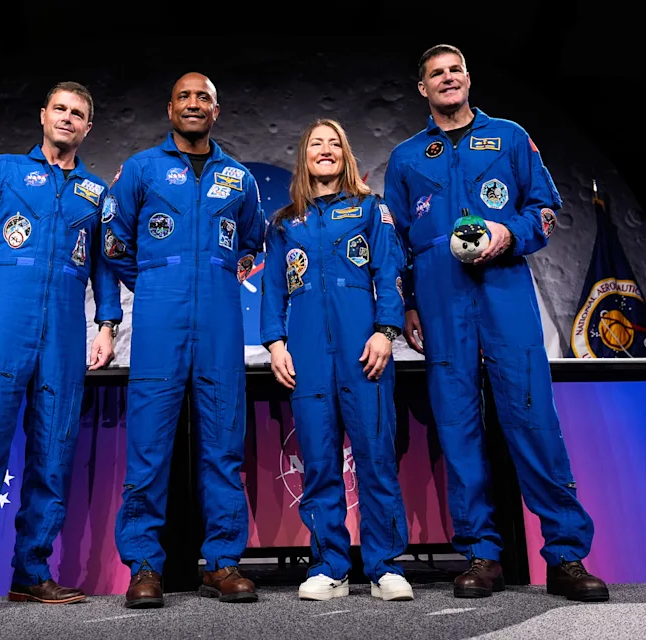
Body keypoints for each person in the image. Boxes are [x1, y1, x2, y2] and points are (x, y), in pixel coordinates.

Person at [383, 45, 610, 603]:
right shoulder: (406, 157)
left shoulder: (509, 137)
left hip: (504, 293)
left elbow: (546, 210)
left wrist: (509, 234)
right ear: (423, 89)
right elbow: (396, 244)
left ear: (467, 78)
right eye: (436, 74)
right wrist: (408, 303)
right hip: (440, 301)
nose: (448, 78)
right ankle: (481, 556)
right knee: (458, 427)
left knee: (533, 420)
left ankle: (565, 555)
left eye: (455, 70)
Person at [0, 81, 123, 616]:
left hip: (64, 333)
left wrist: (106, 325)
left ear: (88, 127)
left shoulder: (96, 193)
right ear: (43, 115)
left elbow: (105, 267)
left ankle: (32, 572)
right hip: (2, 326)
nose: (67, 118)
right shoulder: (3, 171)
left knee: (53, 457)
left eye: (78, 113)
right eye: (59, 109)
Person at [103, 72, 264, 608]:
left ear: (217, 111)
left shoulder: (239, 178)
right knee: (148, 447)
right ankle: (145, 566)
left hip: (220, 318)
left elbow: (253, 241)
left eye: (204, 98)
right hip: (159, 317)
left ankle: (222, 562)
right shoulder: (141, 169)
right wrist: (155, 280)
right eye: (185, 97)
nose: (194, 104)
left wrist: (216, 275)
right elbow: (114, 241)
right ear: (170, 108)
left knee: (223, 444)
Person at [260, 119, 414, 602]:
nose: (325, 150)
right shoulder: (284, 222)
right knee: (320, 462)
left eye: (334, 144)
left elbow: (389, 271)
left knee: (375, 457)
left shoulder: (371, 208)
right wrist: (276, 344)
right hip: (307, 351)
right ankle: (330, 566)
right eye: (316, 144)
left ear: (345, 155)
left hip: (362, 347)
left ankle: (385, 567)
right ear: (304, 157)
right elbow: (272, 289)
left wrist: (386, 331)